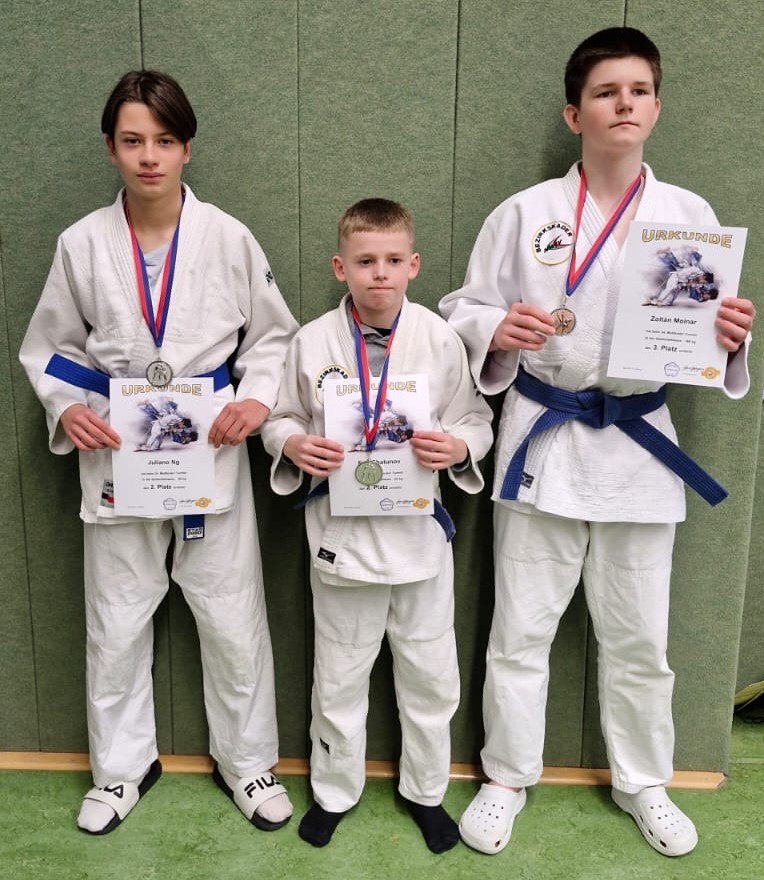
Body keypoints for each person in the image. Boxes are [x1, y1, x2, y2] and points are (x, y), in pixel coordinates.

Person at [439, 27, 755, 858]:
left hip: (640, 442)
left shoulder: (690, 217)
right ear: (574, 113)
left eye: (639, 90)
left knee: (640, 636)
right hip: (543, 437)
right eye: (607, 91)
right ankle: (506, 777)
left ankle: (644, 780)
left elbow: (707, 335)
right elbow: (462, 308)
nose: (625, 104)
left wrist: (729, 339)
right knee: (520, 630)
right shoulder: (525, 214)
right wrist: (496, 329)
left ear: (657, 107)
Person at [19, 71, 298, 835]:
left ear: (186, 149)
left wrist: (256, 400)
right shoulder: (81, 243)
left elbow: (273, 338)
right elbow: (50, 347)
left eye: (165, 141)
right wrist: (68, 407)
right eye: (133, 141)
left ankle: (248, 762)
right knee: (116, 618)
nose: (150, 157)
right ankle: (119, 769)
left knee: (232, 614)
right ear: (110, 147)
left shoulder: (229, 237)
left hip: (209, 444)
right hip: (119, 448)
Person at [261, 199, 494, 853]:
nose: (380, 274)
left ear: (414, 265)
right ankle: (335, 792)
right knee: (338, 676)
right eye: (365, 261)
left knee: (431, 677)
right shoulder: (311, 342)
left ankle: (426, 791)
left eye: (393, 260)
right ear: (341, 267)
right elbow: (279, 417)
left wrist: (458, 446)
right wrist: (292, 445)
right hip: (343, 538)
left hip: (420, 540)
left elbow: (475, 419)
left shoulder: (439, 338)